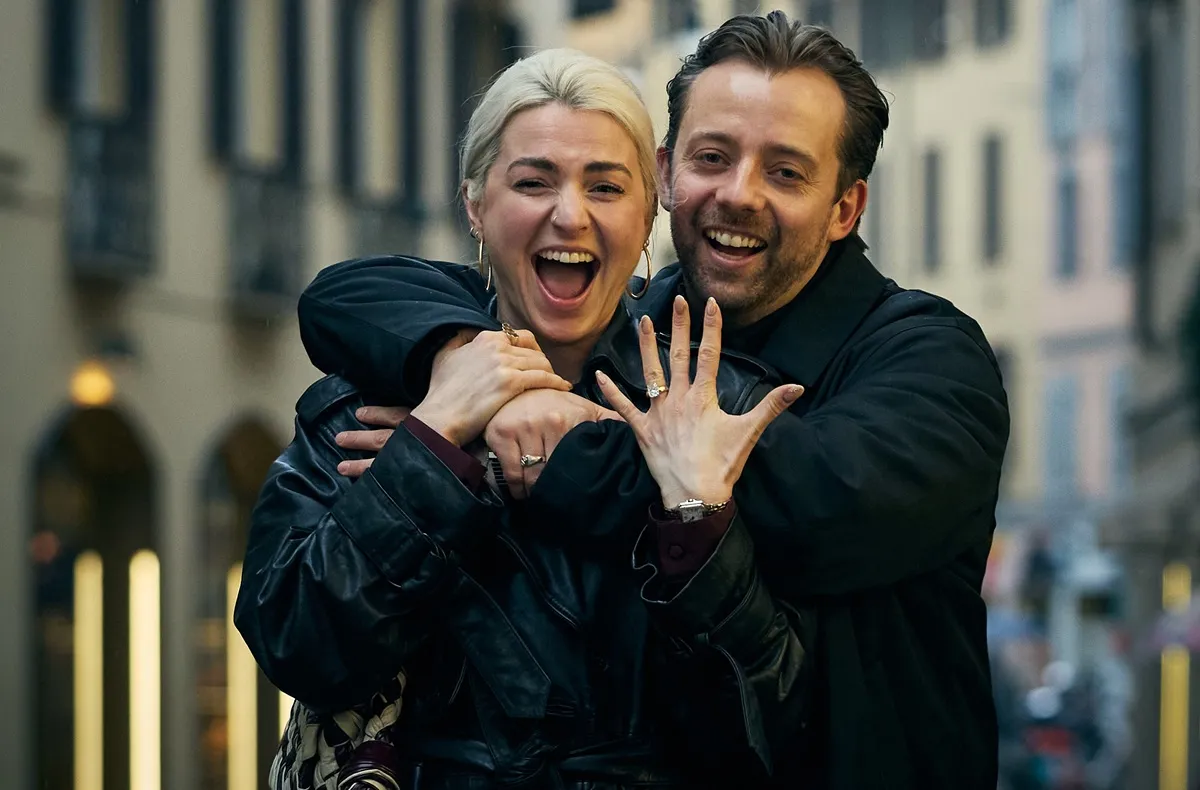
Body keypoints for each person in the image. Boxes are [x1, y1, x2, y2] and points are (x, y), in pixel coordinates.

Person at [297, 11, 1011, 790]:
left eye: (786, 172)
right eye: (714, 157)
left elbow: (807, 508)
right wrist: (474, 367)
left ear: (846, 207)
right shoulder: (621, 323)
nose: (739, 195)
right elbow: (348, 295)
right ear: (667, 177)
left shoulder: (930, 358)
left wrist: (531, 451)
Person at [236, 47, 811, 790]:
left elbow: (784, 717)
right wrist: (435, 443)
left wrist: (692, 521)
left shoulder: (721, 400)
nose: (568, 213)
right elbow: (298, 645)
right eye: (533, 182)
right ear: (475, 204)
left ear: (647, 216)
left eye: (605, 186)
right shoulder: (361, 404)